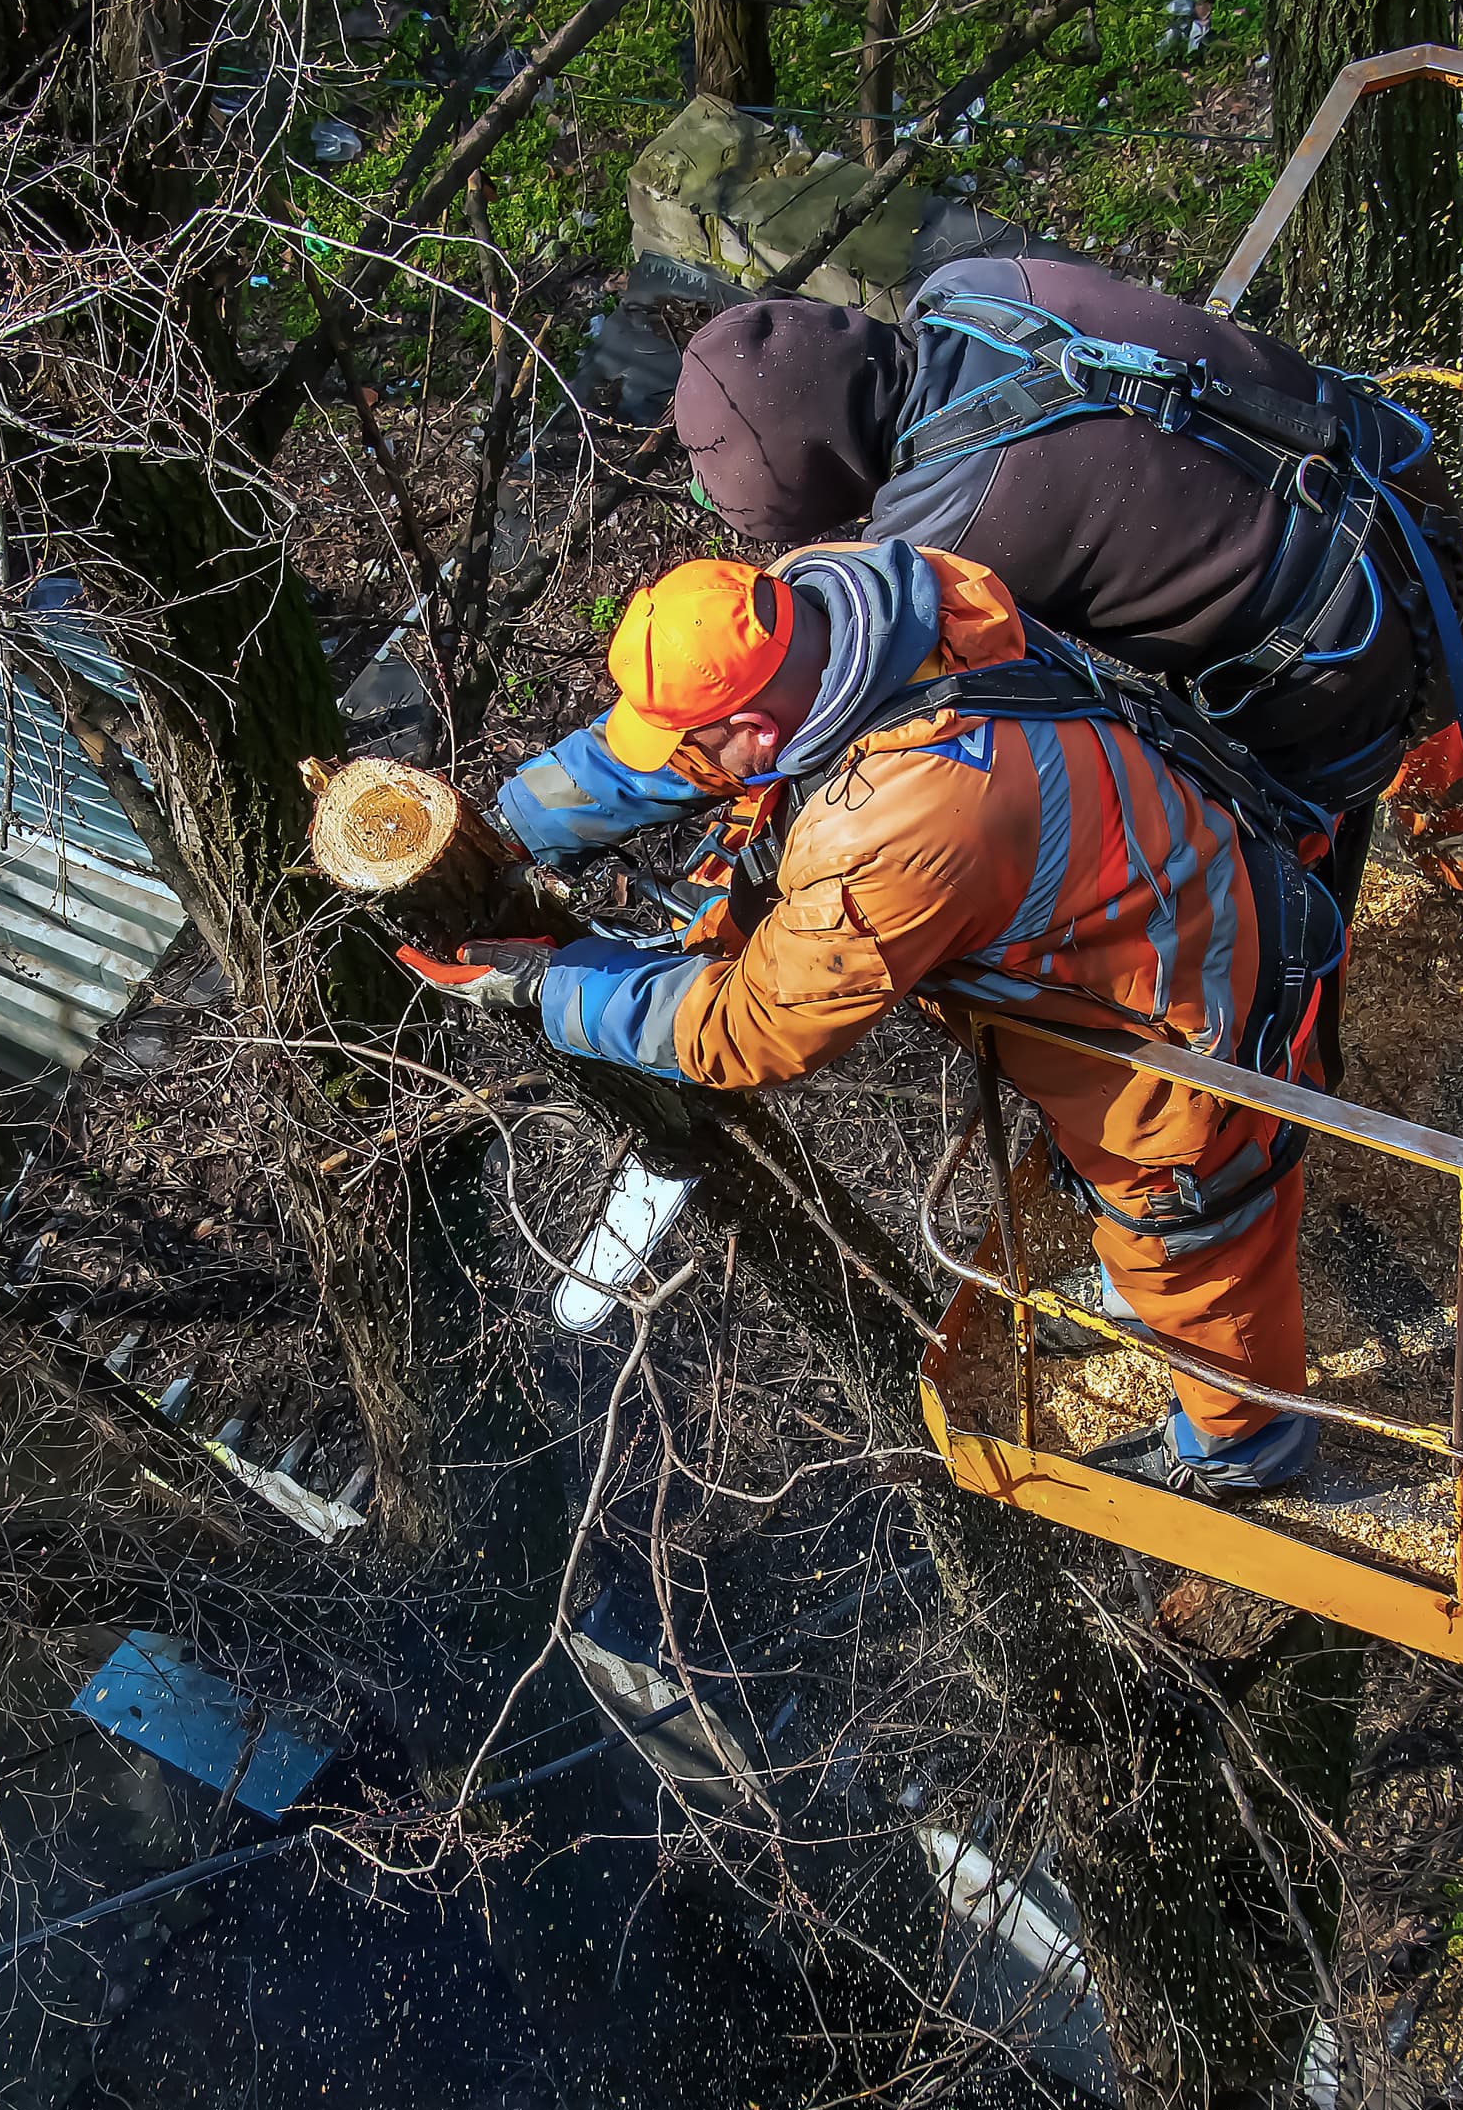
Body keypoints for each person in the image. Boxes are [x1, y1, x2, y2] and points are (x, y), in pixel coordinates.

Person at [414, 539, 1339, 1498]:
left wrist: (553, 986)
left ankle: (1244, 1450)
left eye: (697, 739)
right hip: (1148, 884)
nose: (675, 759)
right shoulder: (848, 601)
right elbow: (659, 756)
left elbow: (750, 1028)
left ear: (758, 731)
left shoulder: (902, 822)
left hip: (1191, 1020)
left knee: (1189, 1228)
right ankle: (1128, 1296)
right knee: (1122, 1200)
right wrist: (501, 826)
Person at [664, 258, 1463, 903]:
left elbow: (944, 708)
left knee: (1287, 860)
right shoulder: (971, 288)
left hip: (1336, 652)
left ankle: (1339, 1009)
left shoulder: (944, 534)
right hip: (1395, 483)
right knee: (1440, 696)